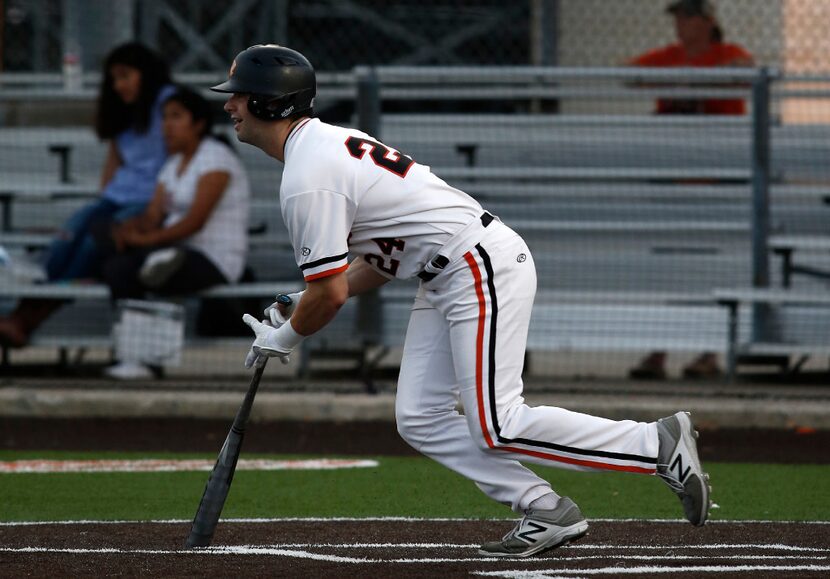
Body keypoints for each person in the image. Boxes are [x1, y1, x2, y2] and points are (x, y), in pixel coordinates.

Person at [215, 45, 712, 558]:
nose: (231, 107)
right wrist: (301, 301)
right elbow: (380, 263)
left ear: (272, 104)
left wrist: (290, 333)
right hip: (448, 272)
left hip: (475, 264)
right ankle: (542, 508)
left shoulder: (306, 176)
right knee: (420, 417)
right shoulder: (325, 148)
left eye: (241, 97)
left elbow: (332, 293)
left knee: (498, 423)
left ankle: (655, 444)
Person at [0, 42, 175, 348]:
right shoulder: (122, 111)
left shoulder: (168, 103)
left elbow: (180, 158)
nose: (119, 85)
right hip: (117, 198)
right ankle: (22, 316)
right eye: (114, 79)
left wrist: (153, 209)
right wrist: (102, 203)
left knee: (90, 246)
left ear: (145, 73)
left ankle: (23, 319)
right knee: (69, 235)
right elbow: (114, 162)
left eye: (125, 76)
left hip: (150, 201)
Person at [627, 0, 754, 380]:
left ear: (708, 21)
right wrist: (675, 81)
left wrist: (698, 79)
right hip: (674, 170)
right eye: (679, 17)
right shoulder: (670, 56)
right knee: (669, 263)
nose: (681, 24)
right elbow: (626, 71)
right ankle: (659, 349)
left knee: (709, 264)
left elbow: (746, 70)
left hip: (717, 174)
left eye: (688, 17)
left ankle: (708, 353)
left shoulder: (726, 54)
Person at [94, 86, 251, 378]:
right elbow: (153, 216)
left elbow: (195, 222)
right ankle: (134, 356)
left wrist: (144, 240)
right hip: (173, 250)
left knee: (139, 269)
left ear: (199, 123)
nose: (167, 125)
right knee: (118, 266)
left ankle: (146, 360)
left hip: (213, 259)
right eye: (164, 117)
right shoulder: (172, 164)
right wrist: (128, 231)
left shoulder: (216, 158)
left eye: (176, 117)